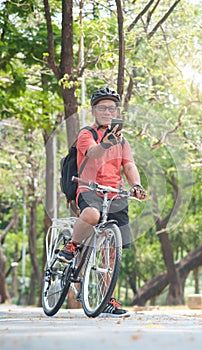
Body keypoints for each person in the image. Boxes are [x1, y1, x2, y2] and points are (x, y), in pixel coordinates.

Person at [58, 87, 147, 317]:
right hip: (89, 188)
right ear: (94, 110)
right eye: (102, 108)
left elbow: (129, 166)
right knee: (92, 215)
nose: (107, 111)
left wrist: (135, 185)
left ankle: (109, 299)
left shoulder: (123, 142)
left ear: (116, 111)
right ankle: (72, 245)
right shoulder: (87, 133)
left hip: (115, 193)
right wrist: (107, 142)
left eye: (111, 108)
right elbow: (93, 153)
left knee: (111, 252)